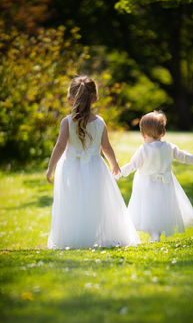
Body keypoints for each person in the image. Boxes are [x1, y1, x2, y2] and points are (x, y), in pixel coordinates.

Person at [46, 75, 140, 249]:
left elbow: (59, 147)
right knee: (95, 203)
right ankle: (93, 236)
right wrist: (114, 164)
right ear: (95, 99)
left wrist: (50, 168)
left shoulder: (66, 122)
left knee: (72, 203)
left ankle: (74, 239)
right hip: (96, 168)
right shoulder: (99, 122)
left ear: (69, 98)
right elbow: (106, 147)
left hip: (70, 168)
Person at [116, 110, 193, 242]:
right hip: (165, 185)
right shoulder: (169, 147)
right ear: (164, 132)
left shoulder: (143, 150)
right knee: (161, 209)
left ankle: (154, 234)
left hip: (146, 186)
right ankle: (156, 233)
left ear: (143, 134)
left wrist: (118, 173)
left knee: (148, 209)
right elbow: (185, 157)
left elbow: (132, 165)